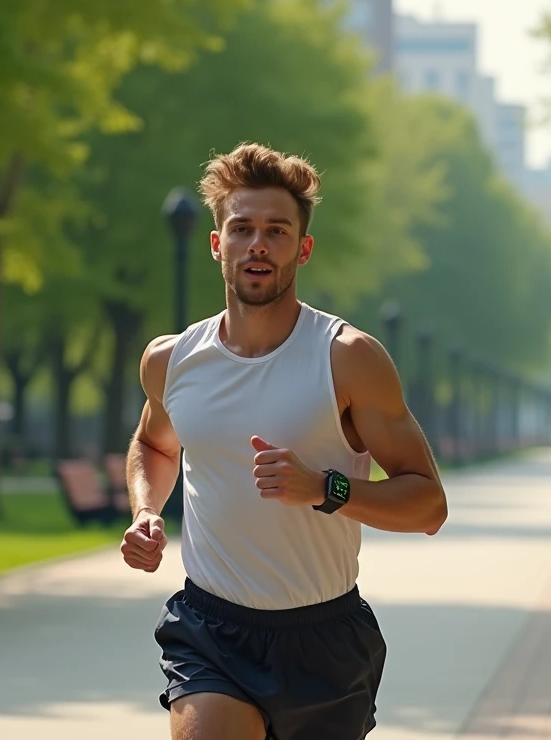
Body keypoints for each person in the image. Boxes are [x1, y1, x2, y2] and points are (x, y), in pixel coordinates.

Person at [119, 142, 449, 740]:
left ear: (303, 247)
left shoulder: (347, 359)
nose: (259, 244)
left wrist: (328, 488)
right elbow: (156, 444)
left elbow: (428, 505)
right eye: (242, 228)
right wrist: (145, 510)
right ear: (218, 244)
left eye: (277, 229)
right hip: (210, 629)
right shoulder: (172, 360)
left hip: (323, 640)